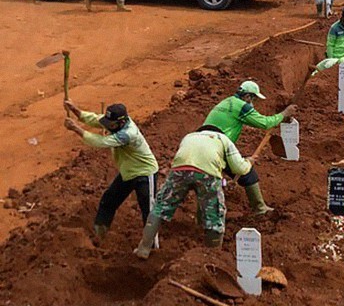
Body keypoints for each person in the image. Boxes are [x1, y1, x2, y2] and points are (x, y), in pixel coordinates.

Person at [133, 124, 256, 259]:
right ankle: (212, 257)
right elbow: (240, 168)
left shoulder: (189, 137)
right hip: (207, 173)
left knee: (161, 206)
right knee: (214, 213)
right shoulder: (222, 139)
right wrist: (248, 162)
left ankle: (144, 248)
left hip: (179, 170)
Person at [63, 101, 159, 242]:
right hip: (128, 172)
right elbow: (96, 119)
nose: (107, 127)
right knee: (108, 201)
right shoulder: (116, 123)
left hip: (144, 173)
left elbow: (101, 142)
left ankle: (152, 246)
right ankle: (99, 235)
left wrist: (76, 129)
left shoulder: (128, 134)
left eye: (111, 125)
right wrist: (75, 110)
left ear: (121, 122)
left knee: (148, 211)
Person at [202, 81, 296, 214]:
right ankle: (260, 208)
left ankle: (207, 210)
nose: (253, 103)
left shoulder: (226, 102)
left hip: (203, 143)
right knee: (247, 173)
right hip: (218, 145)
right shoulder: (241, 106)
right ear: (247, 97)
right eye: (253, 99)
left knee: (210, 178)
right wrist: (283, 114)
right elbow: (264, 123)